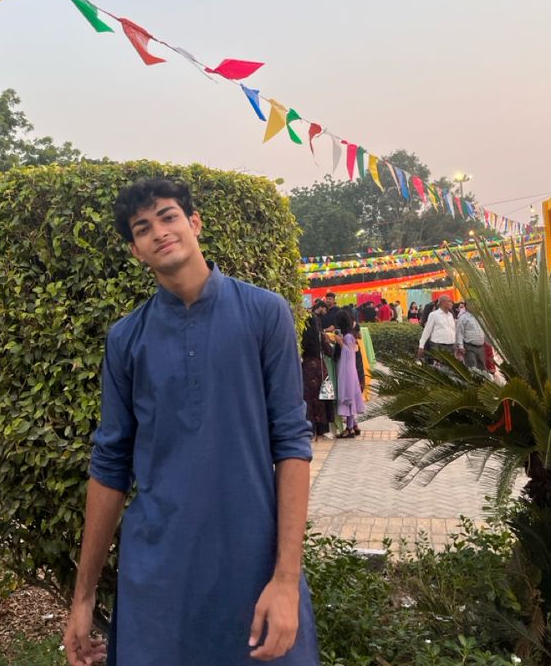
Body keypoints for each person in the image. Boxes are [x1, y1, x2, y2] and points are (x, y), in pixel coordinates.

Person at [64, 178, 318, 666]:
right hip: (157, 575)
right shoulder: (126, 339)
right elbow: (110, 464)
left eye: (168, 216)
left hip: (253, 564)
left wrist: (286, 579)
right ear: (136, 250)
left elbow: (291, 443)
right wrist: (83, 597)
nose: (158, 231)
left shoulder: (265, 314)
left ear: (194, 223)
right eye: (143, 228)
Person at [301, 301, 335, 440]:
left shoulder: (303, 337)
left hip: (307, 368)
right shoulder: (321, 336)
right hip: (320, 369)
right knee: (322, 398)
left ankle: (310, 427)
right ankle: (322, 429)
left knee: (309, 397)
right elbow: (329, 352)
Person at [332, 310, 365, 438]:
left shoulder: (348, 337)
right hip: (347, 369)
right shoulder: (349, 335)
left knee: (348, 397)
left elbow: (349, 353)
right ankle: (353, 425)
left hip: (348, 370)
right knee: (348, 397)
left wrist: (340, 343)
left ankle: (349, 428)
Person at [417, 296, 461, 361]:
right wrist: (421, 346)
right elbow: (427, 331)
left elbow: (453, 331)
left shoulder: (451, 315)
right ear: (443, 303)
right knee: (440, 369)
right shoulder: (434, 315)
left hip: (451, 346)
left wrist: (458, 345)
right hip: (438, 347)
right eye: (449, 301)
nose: (451, 303)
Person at [456, 301, 487, 371]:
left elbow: (484, 330)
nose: (476, 307)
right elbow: (459, 332)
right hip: (469, 347)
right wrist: (460, 346)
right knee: (472, 369)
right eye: (473, 305)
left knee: (482, 369)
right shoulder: (463, 318)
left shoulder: (480, 317)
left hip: (481, 347)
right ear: (467, 307)